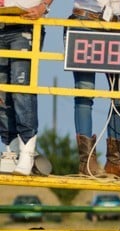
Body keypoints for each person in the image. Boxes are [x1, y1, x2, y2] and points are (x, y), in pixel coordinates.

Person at [68, 0, 120, 177]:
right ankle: (87, 161)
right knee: (85, 94)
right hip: (85, 19)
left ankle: (115, 161)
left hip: (116, 22)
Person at [0, 0, 52, 176]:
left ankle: (27, 152)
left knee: (21, 90)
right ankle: (11, 147)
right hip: (2, 21)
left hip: (25, 23)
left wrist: (43, 6)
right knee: (1, 93)